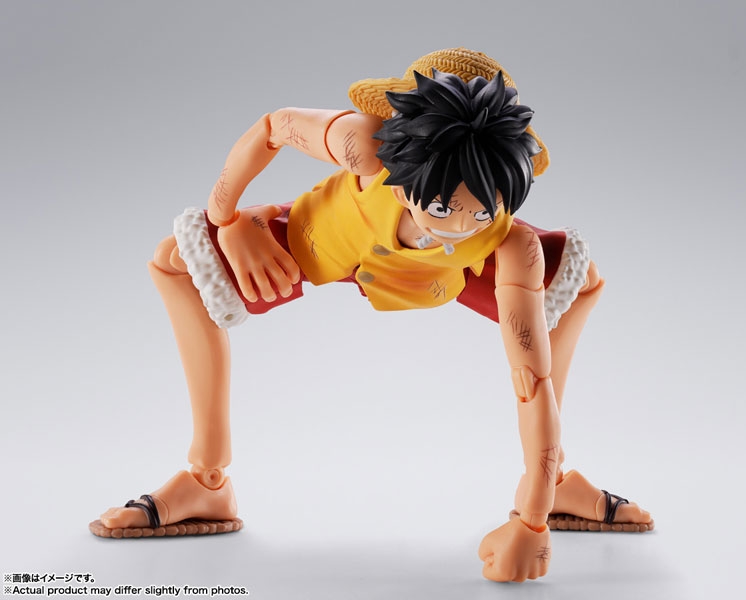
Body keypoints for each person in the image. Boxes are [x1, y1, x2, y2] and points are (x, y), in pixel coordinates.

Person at [92, 48, 652, 582]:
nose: (459, 226)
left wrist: (532, 519)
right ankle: (207, 479)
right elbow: (274, 126)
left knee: (580, 280)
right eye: (441, 206)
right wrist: (227, 217)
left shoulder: (508, 246)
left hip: (447, 277)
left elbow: (533, 383)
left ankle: (553, 482)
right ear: (400, 172)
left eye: (483, 209)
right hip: (327, 244)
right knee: (174, 261)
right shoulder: (361, 144)